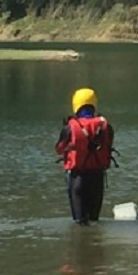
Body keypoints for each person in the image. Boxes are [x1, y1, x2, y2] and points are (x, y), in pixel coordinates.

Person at [56, 88, 114, 226]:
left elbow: (59, 149)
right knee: (94, 222)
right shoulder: (105, 126)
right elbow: (108, 146)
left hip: (77, 179)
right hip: (97, 178)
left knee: (79, 224)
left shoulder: (70, 127)